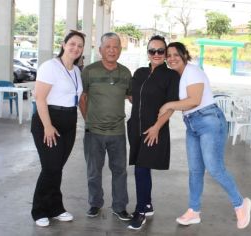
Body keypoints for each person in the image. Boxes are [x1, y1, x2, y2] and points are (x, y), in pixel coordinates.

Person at [159, 42, 251, 229]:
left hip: (209, 120)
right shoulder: (179, 76)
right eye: (168, 55)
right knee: (195, 170)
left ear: (185, 55)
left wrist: (169, 104)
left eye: (176, 54)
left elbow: (194, 101)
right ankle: (194, 211)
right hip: (192, 123)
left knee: (215, 168)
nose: (172, 58)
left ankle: (241, 204)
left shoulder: (192, 71)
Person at [30, 30, 85, 227]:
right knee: (50, 167)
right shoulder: (50, 67)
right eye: (72, 44)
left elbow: (78, 99)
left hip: (69, 122)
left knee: (57, 168)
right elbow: (40, 98)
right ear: (63, 44)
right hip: (49, 120)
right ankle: (38, 210)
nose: (76, 48)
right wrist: (47, 126)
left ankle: (56, 208)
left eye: (80, 45)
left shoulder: (77, 71)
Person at [126, 35, 180, 230]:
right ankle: (147, 205)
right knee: (141, 167)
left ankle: (140, 211)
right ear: (147, 53)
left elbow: (171, 106)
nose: (156, 54)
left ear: (165, 54)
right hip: (135, 128)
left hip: (154, 129)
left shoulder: (172, 76)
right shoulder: (139, 72)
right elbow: (132, 96)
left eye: (160, 51)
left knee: (141, 167)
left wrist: (157, 127)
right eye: (152, 51)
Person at [79, 32, 132, 221]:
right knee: (94, 171)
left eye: (116, 46)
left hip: (118, 132)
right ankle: (95, 204)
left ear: (120, 50)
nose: (112, 50)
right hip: (94, 132)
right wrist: (89, 120)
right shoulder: (89, 71)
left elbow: (132, 97)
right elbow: (82, 98)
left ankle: (119, 207)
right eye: (108, 46)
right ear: (100, 49)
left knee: (120, 171)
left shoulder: (125, 73)